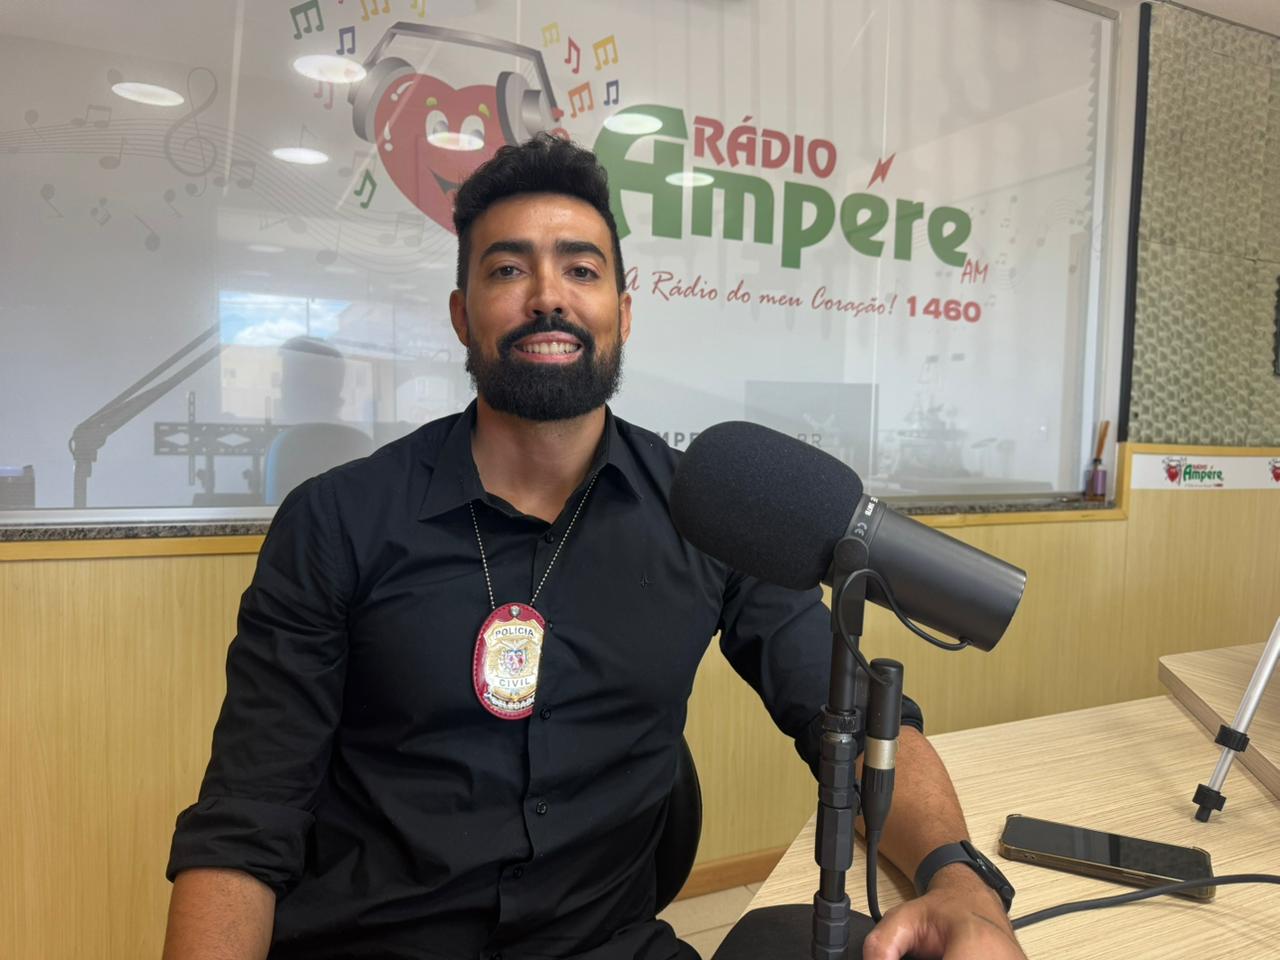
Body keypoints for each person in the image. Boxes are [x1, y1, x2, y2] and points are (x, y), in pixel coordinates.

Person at [163, 134, 1025, 960]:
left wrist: (960, 883)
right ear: (462, 316)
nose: (549, 296)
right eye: (508, 269)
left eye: (581, 269)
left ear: (623, 312)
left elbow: (851, 720)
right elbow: (247, 819)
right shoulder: (336, 520)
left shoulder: (707, 513)